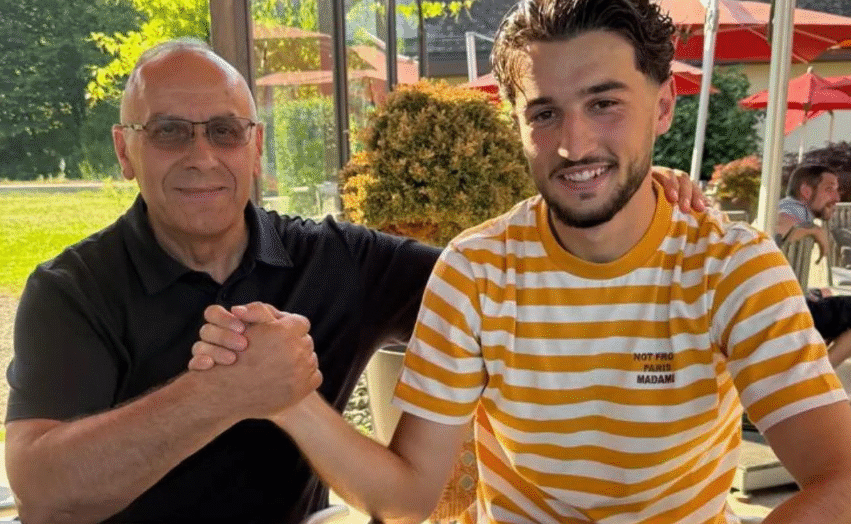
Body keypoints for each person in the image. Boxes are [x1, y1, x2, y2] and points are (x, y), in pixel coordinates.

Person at [195, 1, 851, 522]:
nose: (573, 143)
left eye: (604, 103)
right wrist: (292, 402)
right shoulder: (476, 270)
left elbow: (839, 480)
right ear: (515, 123)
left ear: (661, 107)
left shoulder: (730, 266)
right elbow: (408, 498)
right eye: (544, 113)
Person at [4, 37, 704, 523]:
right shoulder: (73, 290)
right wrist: (218, 394)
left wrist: (620, 200)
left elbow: (505, 278)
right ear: (125, 151)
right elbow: (44, 494)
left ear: (256, 147)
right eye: (167, 132)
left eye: (224, 130)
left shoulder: (337, 261)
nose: (201, 155)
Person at [775, 164, 851, 368]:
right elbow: (777, 228)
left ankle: (811, 370)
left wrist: (811, 293)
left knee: (829, 299)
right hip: (784, 313)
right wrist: (814, 230)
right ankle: (817, 374)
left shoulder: (797, 211)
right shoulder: (794, 208)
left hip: (790, 304)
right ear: (806, 191)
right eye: (829, 189)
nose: (837, 197)